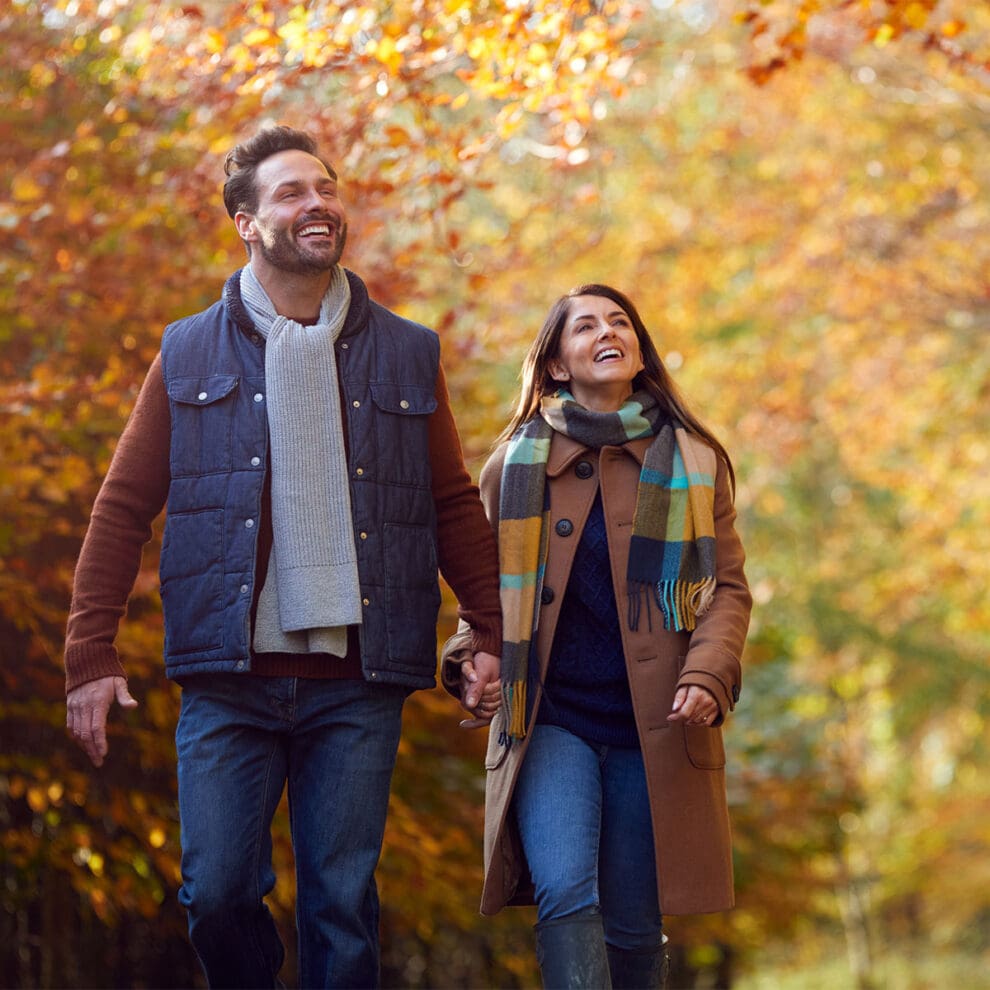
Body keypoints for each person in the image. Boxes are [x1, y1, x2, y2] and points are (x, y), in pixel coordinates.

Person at [64, 124, 501, 989]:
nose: (319, 206)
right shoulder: (188, 349)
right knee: (217, 894)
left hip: (358, 676)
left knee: (341, 905)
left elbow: (448, 501)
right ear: (247, 222)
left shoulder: (408, 350)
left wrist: (489, 630)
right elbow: (122, 505)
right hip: (230, 676)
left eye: (327, 189)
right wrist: (89, 650)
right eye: (293, 193)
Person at [442, 284, 752, 989]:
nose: (607, 332)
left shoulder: (696, 464)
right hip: (549, 717)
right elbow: (484, 602)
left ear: (639, 351)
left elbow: (727, 590)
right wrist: (469, 662)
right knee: (566, 895)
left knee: (635, 925)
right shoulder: (512, 467)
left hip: (655, 726)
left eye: (620, 322)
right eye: (585, 326)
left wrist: (707, 674)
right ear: (555, 364)